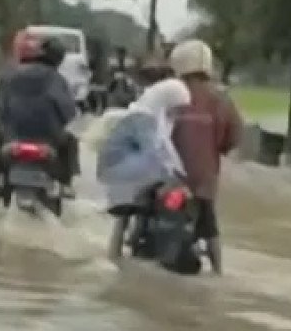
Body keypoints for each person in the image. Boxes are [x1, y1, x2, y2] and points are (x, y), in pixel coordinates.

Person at [95, 77, 192, 260]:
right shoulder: (143, 118)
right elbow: (153, 151)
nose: (179, 113)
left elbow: (166, 150)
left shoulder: (161, 118)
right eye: (178, 108)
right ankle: (114, 255)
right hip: (125, 172)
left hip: (141, 170)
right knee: (124, 215)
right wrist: (170, 175)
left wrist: (179, 173)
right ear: (167, 100)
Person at [168, 39, 242, 275]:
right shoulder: (222, 99)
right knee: (209, 226)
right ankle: (218, 272)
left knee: (139, 206)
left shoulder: (170, 93)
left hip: (168, 174)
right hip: (203, 178)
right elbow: (233, 137)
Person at [0, 32, 81, 196]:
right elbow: (68, 111)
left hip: (12, 135)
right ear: (59, 60)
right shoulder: (57, 79)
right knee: (71, 141)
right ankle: (66, 185)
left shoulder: (11, 74)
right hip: (48, 138)